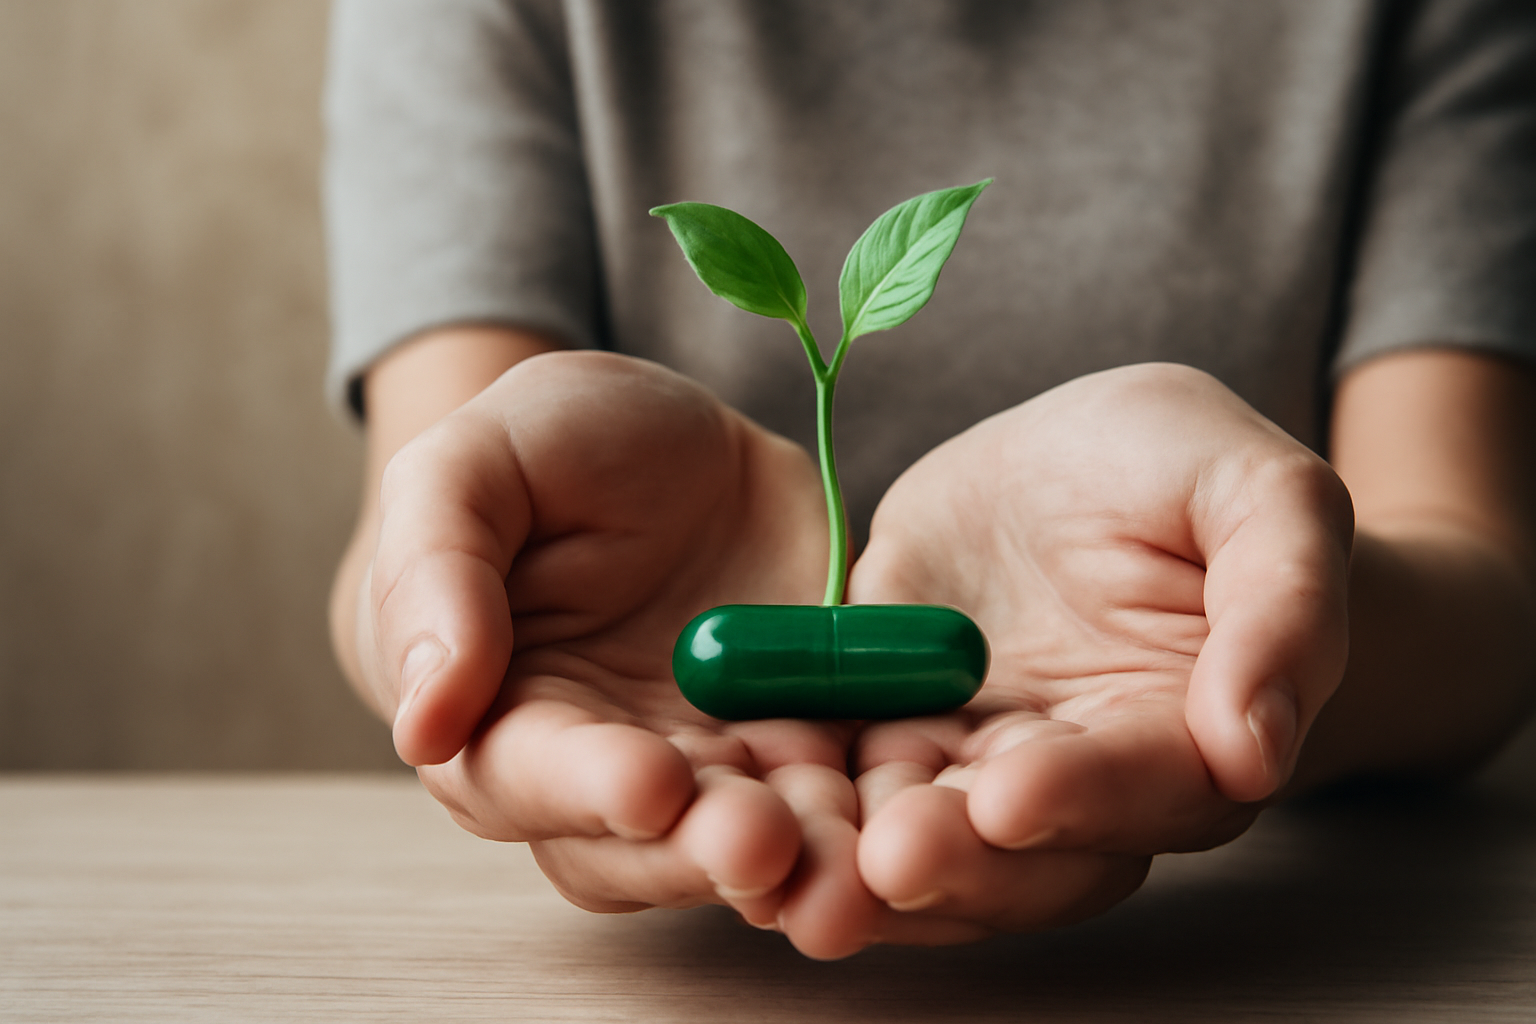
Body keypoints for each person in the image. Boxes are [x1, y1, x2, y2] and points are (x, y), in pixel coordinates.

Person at [323, 0, 1536, 959]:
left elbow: (1481, 581)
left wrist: (1264, 624)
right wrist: (434, 626)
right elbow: (432, 508)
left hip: (1344, 917)